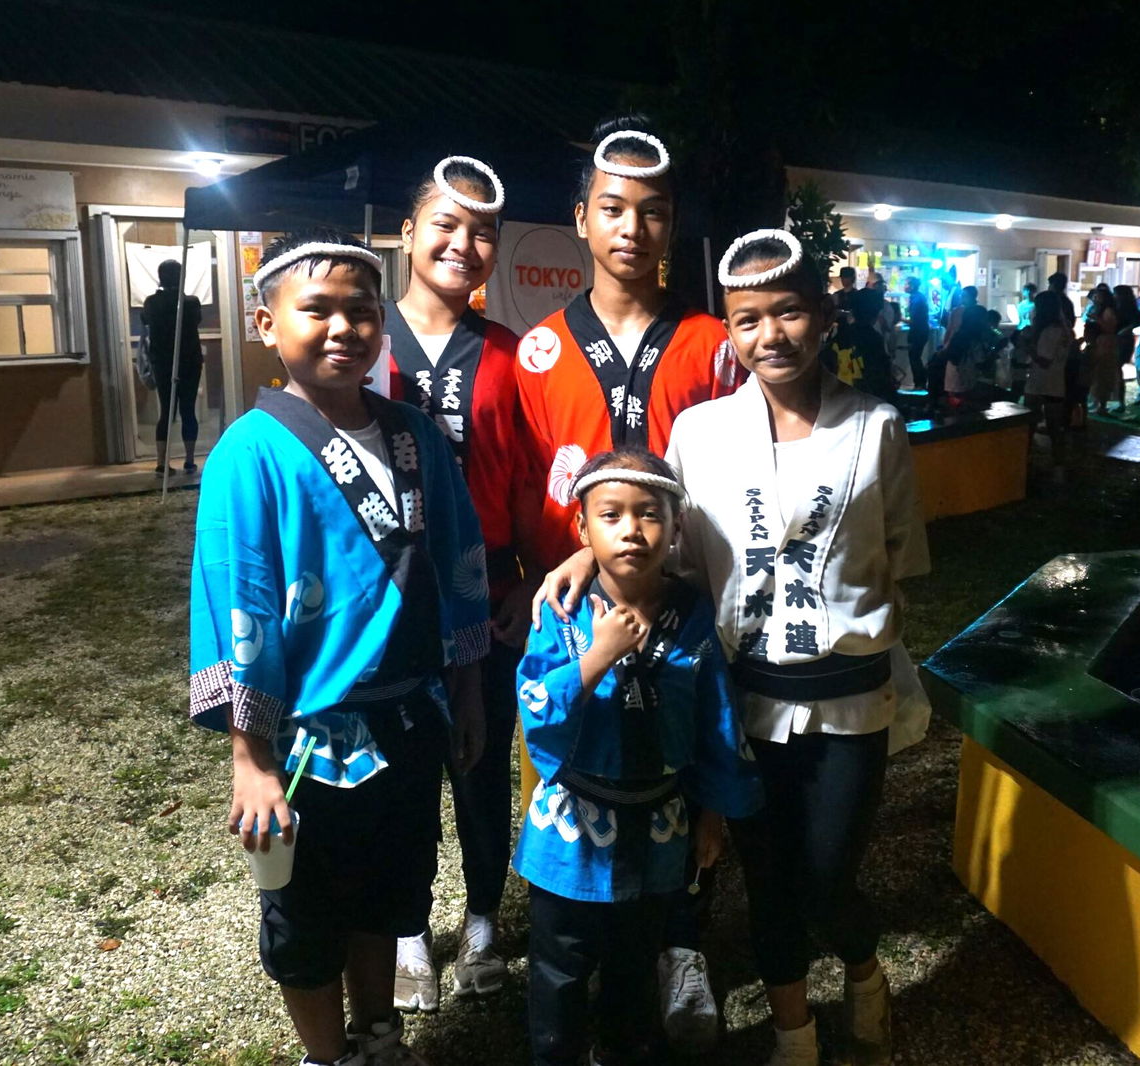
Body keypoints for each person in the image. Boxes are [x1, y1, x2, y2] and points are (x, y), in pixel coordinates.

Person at [538, 228, 933, 1065]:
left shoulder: (879, 428)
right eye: (746, 319)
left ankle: (862, 969)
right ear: (729, 331)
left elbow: (902, 558)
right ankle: (793, 1031)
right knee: (765, 878)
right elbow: (667, 552)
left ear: (824, 317)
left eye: (788, 313)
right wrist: (587, 548)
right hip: (741, 697)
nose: (769, 335)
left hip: (850, 697)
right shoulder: (701, 432)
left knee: (828, 878)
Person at [189, 230, 490, 1066]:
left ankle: (379, 1035)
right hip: (307, 738)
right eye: (314, 308)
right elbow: (237, 600)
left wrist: (465, 694)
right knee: (305, 913)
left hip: (406, 714)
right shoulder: (249, 454)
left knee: (386, 895)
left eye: (360, 310)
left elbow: (460, 558)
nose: (342, 328)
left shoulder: (415, 435)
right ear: (264, 321)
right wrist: (250, 759)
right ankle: (326, 1055)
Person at [512, 113, 741, 1049]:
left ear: (672, 225)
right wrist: (579, 555)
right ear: (580, 219)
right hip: (580, 618)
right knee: (580, 766)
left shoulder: (714, 341)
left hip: (689, 605)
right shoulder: (536, 352)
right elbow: (539, 489)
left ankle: (681, 954)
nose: (631, 230)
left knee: (686, 770)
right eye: (612, 209)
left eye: (652, 213)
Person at [515, 447, 762, 1066]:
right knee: (559, 975)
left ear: (676, 526)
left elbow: (717, 719)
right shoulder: (560, 610)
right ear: (582, 528)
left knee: (634, 968)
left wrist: (712, 814)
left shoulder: (691, 614)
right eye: (610, 515)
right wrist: (596, 658)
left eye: (650, 514)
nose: (631, 530)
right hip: (571, 837)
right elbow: (535, 709)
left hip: (659, 829)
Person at [378, 156, 533, 1013]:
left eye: (481, 233)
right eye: (444, 224)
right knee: (404, 772)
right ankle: (408, 932)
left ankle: (480, 921)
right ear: (407, 232)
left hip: (487, 601)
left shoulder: (510, 356)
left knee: (480, 765)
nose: (462, 245)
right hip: (390, 603)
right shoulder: (364, 344)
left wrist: (531, 577)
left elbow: (527, 478)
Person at [141, 259, 203, 474]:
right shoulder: (191, 302)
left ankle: (161, 463)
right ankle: (189, 460)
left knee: (166, 412)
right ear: (180, 277)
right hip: (190, 362)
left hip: (162, 363)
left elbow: (145, 322)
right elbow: (196, 321)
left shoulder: (151, 303)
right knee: (188, 409)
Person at [1026, 290, 1073, 455]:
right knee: (1055, 429)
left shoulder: (1050, 331)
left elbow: (1044, 361)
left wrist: (1029, 348)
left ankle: (1027, 461)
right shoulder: (1064, 329)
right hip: (1056, 383)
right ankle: (1058, 467)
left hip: (1039, 382)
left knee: (1029, 425)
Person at [1084, 286, 1119, 414]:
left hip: (1105, 343)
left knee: (1103, 374)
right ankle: (1095, 402)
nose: (1095, 298)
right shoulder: (1096, 309)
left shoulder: (1108, 311)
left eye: (1098, 296)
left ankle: (1102, 405)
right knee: (1096, 375)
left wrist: (1096, 319)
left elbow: (1110, 328)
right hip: (1097, 342)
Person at [1112, 284, 1140, 413]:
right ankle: (1119, 401)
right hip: (1123, 339)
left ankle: (1120, 402)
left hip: (1122, 340)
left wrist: (1125, 329)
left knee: (1117, 370)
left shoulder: (1125, 308)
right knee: (1117, 371)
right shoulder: (1127, 306)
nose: (1114, 296)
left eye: (1116, 294)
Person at [904, 276, 932, 389]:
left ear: (912, 286)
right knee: (915, 357)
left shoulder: (917, 299)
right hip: (920, 331)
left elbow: (914, 320)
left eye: (906, 284)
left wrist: (900, 318)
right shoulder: (916, 297)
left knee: (914, 357)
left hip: (918, 332)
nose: (904, 286)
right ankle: (920, 382)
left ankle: (920, 383)